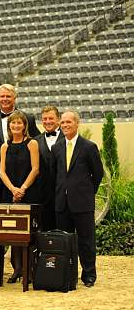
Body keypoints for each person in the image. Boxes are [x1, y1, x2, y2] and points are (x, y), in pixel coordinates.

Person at [0, 84, 40, 279]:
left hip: (22, 178)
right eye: (2, 96)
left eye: (8, 96)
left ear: (15, 98)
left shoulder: (27, 118)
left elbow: (38, 143)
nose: (5, 99)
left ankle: (20, 269)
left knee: (19, 226)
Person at [51, 110, 103, 288]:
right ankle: (68, 274)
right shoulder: (56, 148)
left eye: (68, 122)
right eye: (63, 123)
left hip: (82, 203)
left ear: (77, 123)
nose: (65, 125)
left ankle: (89, 275)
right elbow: (54, 174)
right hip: (62, 204)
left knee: (86, 241)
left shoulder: (89, 147)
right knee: (65, 243)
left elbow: (98, 174)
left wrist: (86, 192)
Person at [0, 111, 40, 283]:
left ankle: (29, 270)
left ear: (24, 126)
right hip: (11, 193)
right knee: (14, 233)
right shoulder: (4, 146)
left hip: (29, 192)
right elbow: (1, 172)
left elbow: (35, 169)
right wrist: (13, 190)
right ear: (9, 126)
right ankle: (16, 270)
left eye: (19, 123)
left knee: (29, 233)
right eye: (13, 123)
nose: (16, 126)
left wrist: (22, 189)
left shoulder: (32, 144)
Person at [33, 106, 64, 231]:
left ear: (58, 120)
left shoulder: (68, 139)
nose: (47, 121)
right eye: (44, 119)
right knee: (45, 231)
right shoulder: (35, 141)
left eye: (51, 118)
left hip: (64, 195)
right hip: (43, 196)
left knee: (64, 231)